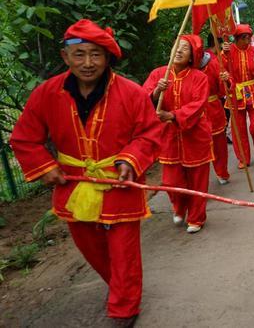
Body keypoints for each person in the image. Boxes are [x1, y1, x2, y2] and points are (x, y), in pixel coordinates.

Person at [9, 19, 162, 325]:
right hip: (74, 184)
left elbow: (149, 133)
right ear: (65, 57)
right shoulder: (47, 94)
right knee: (90, 248)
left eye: (96, 54)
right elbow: (24, 138)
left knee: (123, 251)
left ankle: (124, 307)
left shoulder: (131, 93)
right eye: (79, 54)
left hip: (120, 184)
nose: (88, 63)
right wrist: (46, 167)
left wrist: (129, 160)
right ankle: (122, 286)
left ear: (108, 58)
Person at [143, 34, 214, 234]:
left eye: (185, 48)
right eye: (177, 46)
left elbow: (198, 105)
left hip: (195, 134)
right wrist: (156, 92)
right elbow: (143, 100)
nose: (180, 50)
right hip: (168, 137)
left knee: (197, 180)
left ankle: (197, 217)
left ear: (193, 56)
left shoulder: (199, 78)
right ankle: (179, 205)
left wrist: (173, 115)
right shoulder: (158, 74)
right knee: (171, 181)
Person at [220, 24, 254, 167]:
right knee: (238, 129)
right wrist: (224, 56)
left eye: (249, 37)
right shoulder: (228, 52)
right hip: (236, 93)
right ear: (236, 39)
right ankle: (243, 158)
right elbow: (224, 72)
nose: (247, 41)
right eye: (244, 38)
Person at [201, 36, 230, 185]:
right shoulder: (180, 69)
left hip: (213, 109)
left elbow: (222, 90)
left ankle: (221, 172)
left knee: (218, 144)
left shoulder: (212, 63)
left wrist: (225, 80)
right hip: (193, 114)